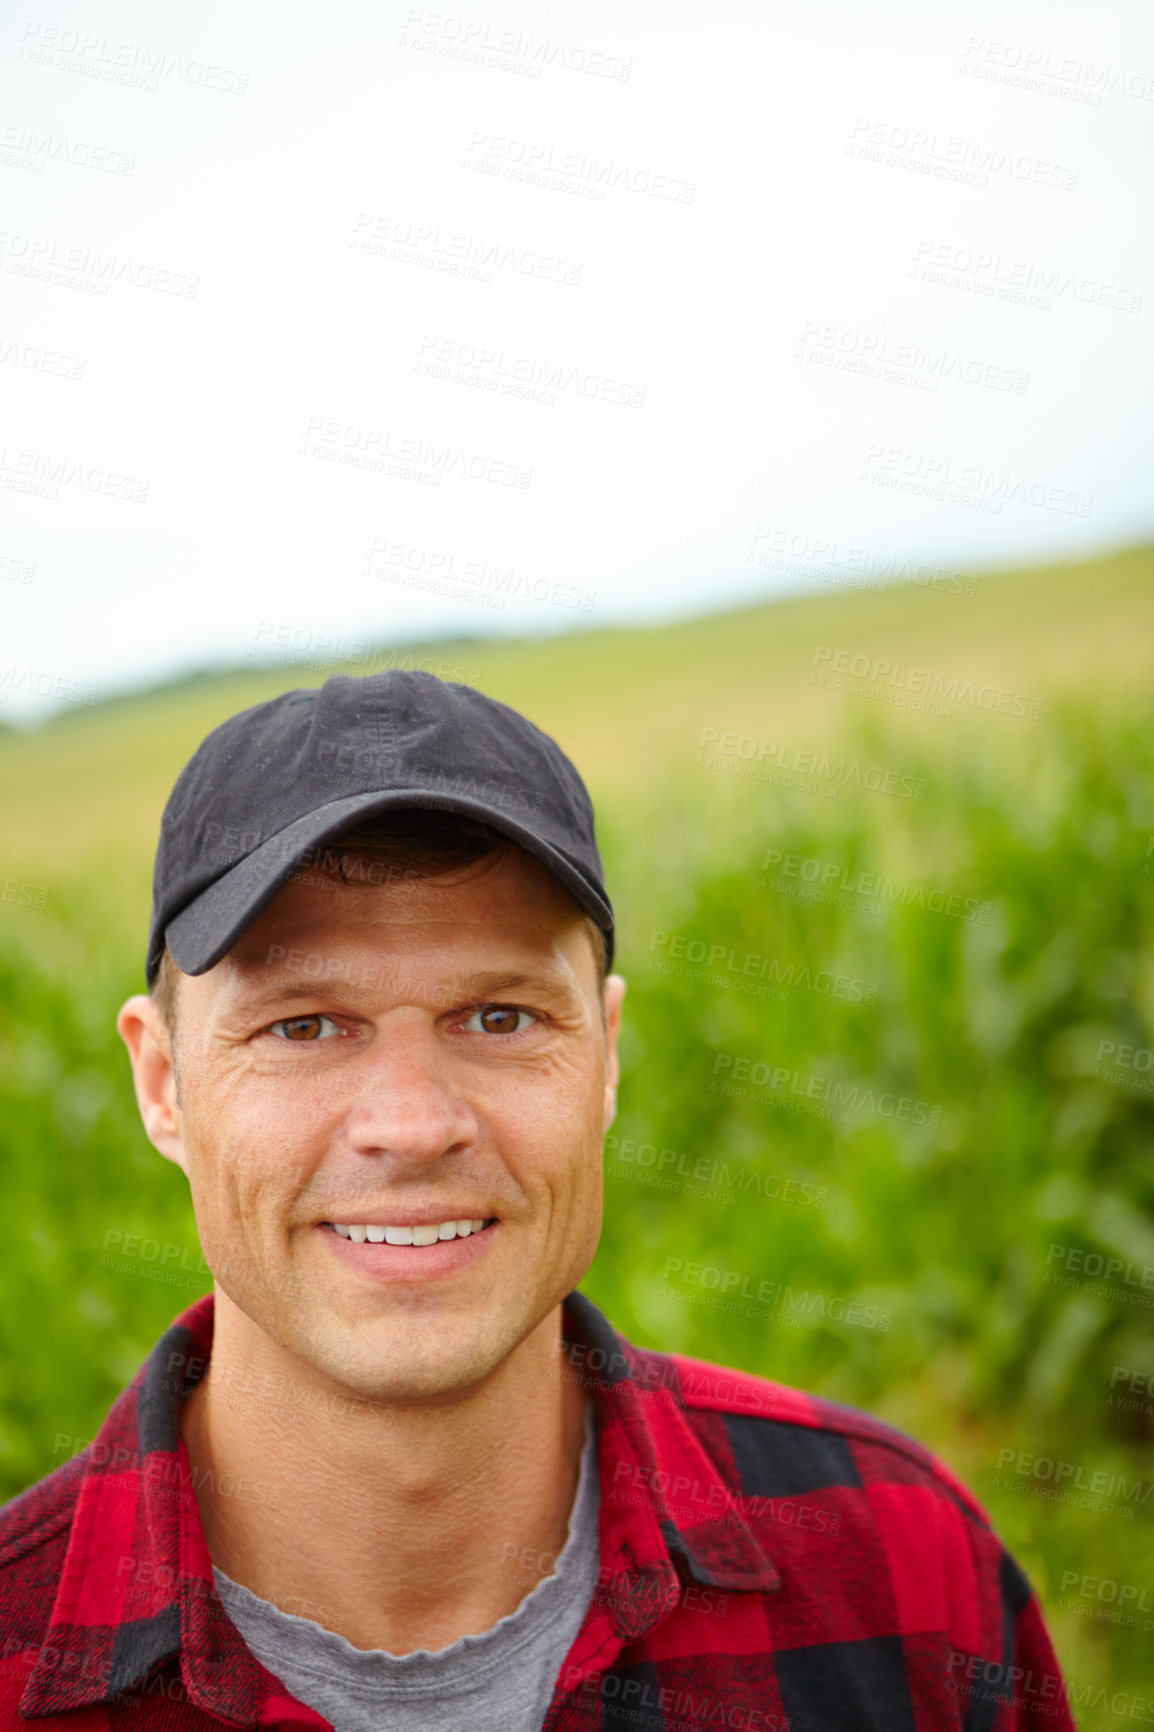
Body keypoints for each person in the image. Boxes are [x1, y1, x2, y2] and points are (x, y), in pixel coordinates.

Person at [0, 670, 1072, 1731]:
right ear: (163, 1086)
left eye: (500, 1017)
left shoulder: (903, 1568)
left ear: (604, 1056)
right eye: (304, 1026)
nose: (414, 1125)